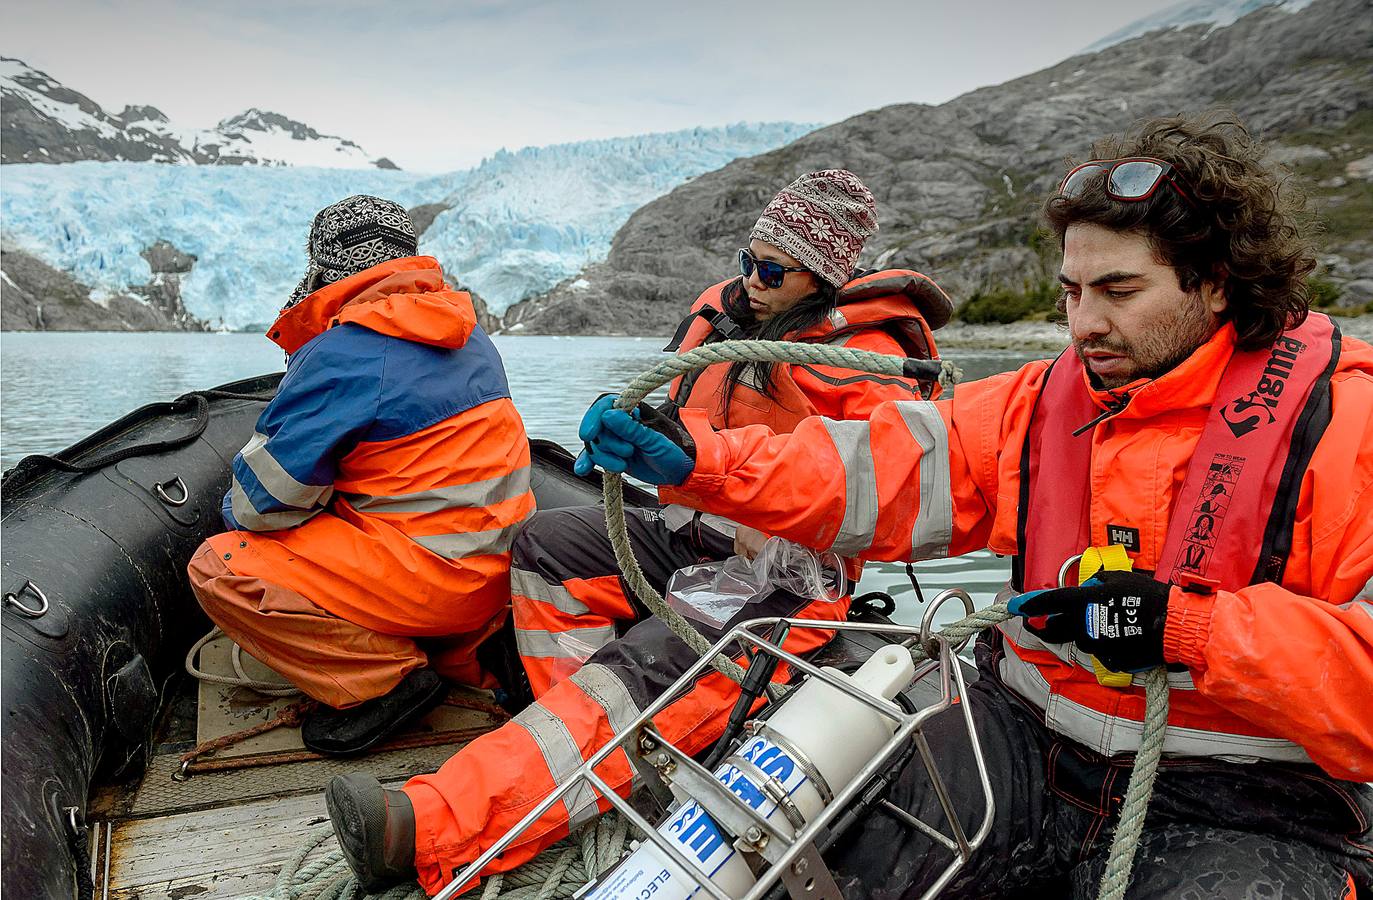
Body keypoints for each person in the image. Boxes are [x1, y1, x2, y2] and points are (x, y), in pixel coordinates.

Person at [574, 113, 1373, 896]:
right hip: (1019, 740)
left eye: (1119, 290)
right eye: (1070, 291)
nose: (1083, 324)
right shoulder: (1032, 406)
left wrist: (1189, 630)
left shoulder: (1348, 427)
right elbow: (865, 475)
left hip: (1249, 797)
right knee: (822, 865)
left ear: (1217, 282)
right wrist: (698, 461)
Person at [324, 170, 956, 893]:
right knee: (546, 547)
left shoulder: (867, 366)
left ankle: (427, 826)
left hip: (784, 580)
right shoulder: (723, 320)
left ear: (822, 276)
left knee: (641, 670)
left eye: (771, 270)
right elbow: (672, 399)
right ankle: (578, 754)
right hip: (687, 536)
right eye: (748, 260)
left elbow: (883, 496)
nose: (750, 280)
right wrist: (630, 424)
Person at [187, 195, 534, 756]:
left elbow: (261, 505)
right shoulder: (472, 338)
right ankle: (478, 653)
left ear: (325, 264)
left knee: (221, 566)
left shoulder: (344, 354)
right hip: (501, 578)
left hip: (433, 580)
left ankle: (386, 684)